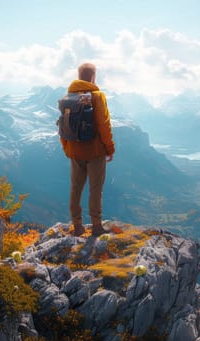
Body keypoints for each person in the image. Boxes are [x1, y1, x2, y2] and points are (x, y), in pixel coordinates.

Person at [60, 62, 115, 236]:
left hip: (75, 151)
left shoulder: (68, 97)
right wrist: (109, 148)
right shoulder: (97, 96)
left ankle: (77, 226)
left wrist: (68, 149)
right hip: (95, 151)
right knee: (95, 189)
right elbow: (103, 124)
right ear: (92, 77)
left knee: (75, 188)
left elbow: (63, 127)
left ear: (78, 76)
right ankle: (97, 226)